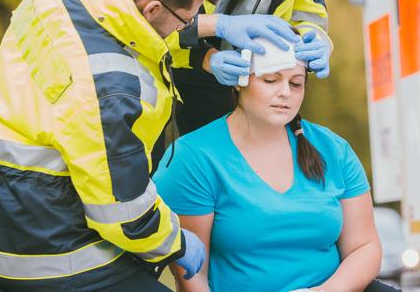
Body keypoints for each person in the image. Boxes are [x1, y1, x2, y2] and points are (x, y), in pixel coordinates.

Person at [0, 0, 299, 291]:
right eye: (187, 20)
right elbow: (126, 216)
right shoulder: (110, 89)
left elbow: (140, 36)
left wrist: (210, 43)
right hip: (45, 253)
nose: (189, 28)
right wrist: (177, 243)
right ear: (150, 9)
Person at [153, 39, 399, 292]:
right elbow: (192, 277)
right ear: (239, 80)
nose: (285, 93)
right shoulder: (194, 157)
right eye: (270, 80)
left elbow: (365, 246)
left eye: (296, 83)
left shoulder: (334, 150)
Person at [112, 0, 335, 136]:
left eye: (295, 84)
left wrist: (316, 39)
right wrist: (208, 48)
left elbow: (307, 12)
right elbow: (142, 18)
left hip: (236, 72)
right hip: (150, 59)